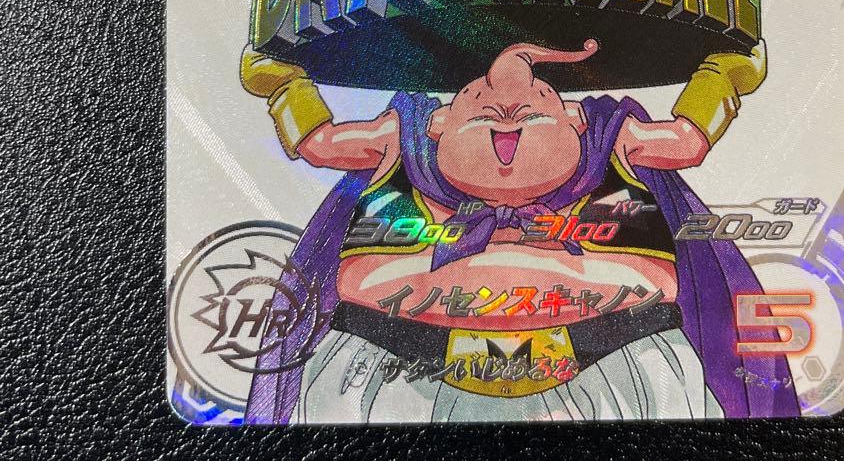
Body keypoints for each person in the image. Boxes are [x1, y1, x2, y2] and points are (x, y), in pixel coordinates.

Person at [241, 38, 799, 423]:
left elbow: (686, 142)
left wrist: (721, 77)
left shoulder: (610, 136)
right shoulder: (402, 135)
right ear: (440, 122)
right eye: (477, 100)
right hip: (391, 372)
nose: (507, 102)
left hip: (619, 363)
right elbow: (319, 144)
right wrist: (283, 86)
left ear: (574, 119)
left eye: (538, 101)